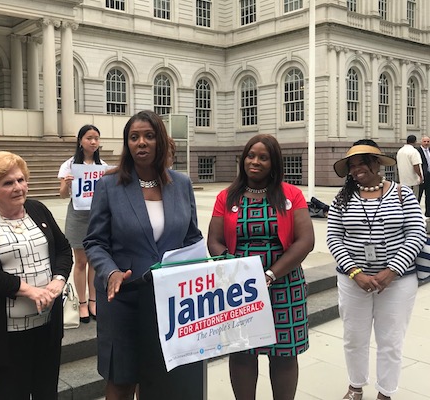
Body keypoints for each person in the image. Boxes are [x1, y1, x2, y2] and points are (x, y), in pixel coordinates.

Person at [84, 110, 203, 400]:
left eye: (149, 136)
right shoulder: (109, 185)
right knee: (122, 380)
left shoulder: (181, 184)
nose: (141, 143)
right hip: (123, 298)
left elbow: (192, 238)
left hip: (171, 302)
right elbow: (95, 241)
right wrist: (110, 271)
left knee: (162, 381)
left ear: (160, 141)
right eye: (134, 137)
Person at [207, 134, 314, 400]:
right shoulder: (227, 196)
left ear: (273, 162)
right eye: (250, 156)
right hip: (240, 288)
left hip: (283, 283)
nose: (255, 162)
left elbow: (306, 240)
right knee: (243, 352)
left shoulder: (291, 195)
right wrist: (234, 269)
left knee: (284, 353)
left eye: (263, 157)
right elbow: (214, 240)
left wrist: (270, 274)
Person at [0, 151, 72, 399]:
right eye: (8, 183)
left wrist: (58, 280)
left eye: (21, 180)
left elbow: (63, 249)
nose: (18, 187)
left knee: (47, 393)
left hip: (46, 328)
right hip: (7, 335)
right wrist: (28, 290)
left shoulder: (38, 210)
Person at [327, 139, 425, 400]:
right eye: (353, 165)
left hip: (398, 282)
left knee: (390, 340)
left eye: (364, 162)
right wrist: (355, 272)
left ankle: (385, 392)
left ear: (377, 163)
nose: (358, 169)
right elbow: (334, 237)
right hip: (353, 282)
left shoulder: (402, 194)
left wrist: (392, 270)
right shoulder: (342, 198)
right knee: (354, 337)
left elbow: (416, 233)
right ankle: (355, 385)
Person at [58, 124, 106, 323]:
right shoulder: (69, 165)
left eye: (96, 138)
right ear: (80, 141)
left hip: (96, 216)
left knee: (95, 260)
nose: (93, 142)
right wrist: (67, 184)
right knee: (81, 261)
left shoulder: (102, 166)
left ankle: (94, 300)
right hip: (77, 215)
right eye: (89, 138)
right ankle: (83, 302)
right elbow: (61, 195)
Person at [416, 135, 430, 212]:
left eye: (428, 141)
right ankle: (416, 212)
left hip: (429, 176)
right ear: (421, 142)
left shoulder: (429, 150)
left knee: (428, 195)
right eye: (425, 141)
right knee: (419, 195)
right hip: (421, 176)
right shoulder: (417, 151)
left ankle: (428, 213)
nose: (426, 143)